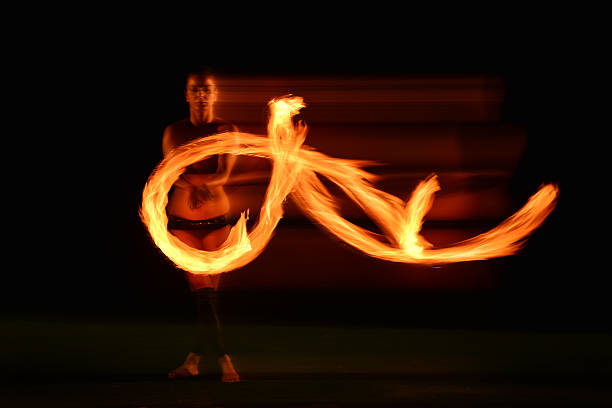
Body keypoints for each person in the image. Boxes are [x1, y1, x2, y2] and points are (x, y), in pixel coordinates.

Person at [163, 68, 240, 383]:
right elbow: (169, 172)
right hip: (183, 224)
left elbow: (225, 172)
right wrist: (192, 187)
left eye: (207, 90)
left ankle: (193, 362)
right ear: (186, 94)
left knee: (207, 301)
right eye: (195, 90)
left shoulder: (226, 129)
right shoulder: (173, 132)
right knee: (204, 296)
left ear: (215, 94)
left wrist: (208, 186)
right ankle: (225, 363)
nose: (201, 95)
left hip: (216, 222)